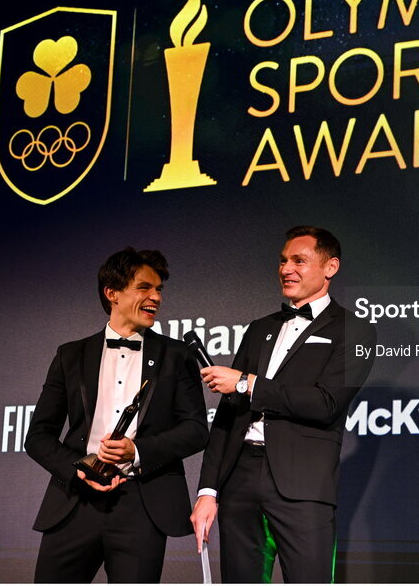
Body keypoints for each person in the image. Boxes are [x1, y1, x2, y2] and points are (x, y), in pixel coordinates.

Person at [192, 226, 376, 583]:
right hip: (239, 479)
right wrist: (208, 490)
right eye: (282, 261)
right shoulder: (259, 328)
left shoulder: (356, 330)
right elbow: (228, 416)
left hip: (303, 485)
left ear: (330, 267)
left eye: (299, 261)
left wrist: (247, 383)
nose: (286, 269)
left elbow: (327, 403)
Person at [25, 247, 209, 583]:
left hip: (142, 503)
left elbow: (197, 429)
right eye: (144, 287)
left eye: (159, 290)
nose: (156, 297)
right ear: (113, 293)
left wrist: (136, 451)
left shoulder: (176, 355)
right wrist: (77, 470)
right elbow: (37, 436)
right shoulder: (71, 355)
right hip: (74, 502)